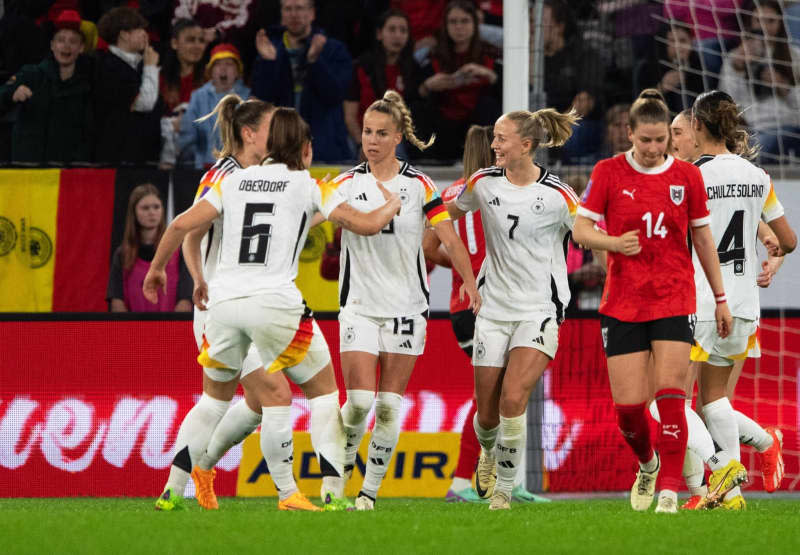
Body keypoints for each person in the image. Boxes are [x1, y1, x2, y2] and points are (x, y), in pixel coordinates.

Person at [146, 106, 402, 512]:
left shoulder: (232, 180)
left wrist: (157, 269)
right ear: (304, 148)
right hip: (275, 305)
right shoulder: (307, 185)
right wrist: (391, 206)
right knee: (321, 394)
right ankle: (327, 494)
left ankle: (172, 490)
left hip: (224, 306)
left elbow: (179, 225)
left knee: (214, 400)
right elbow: (368, 225)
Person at [572, 89, 738, 514]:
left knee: (670, 397)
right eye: (644, 140)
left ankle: (668, 491)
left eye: (660, 140)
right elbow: (580, 231)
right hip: (623, 303)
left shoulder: (687, 177)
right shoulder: (608, 172)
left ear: (669, 136)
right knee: (628, 412)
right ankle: (647, 464)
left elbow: (703, 238)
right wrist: (612, 242)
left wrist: (720, 298)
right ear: (629, 134)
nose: (652, 148)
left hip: (673, 298)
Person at [321, 90, 481, 511]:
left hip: (407, 309)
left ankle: (368, 493)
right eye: (367, 132)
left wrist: (470, 284)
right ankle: (336, 477)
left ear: (397, 138)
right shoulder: (344, 184)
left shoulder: (420, 185)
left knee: (388, 408)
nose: (371, 140)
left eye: (381, 133)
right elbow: (308, 216)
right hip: (358, 305)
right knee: (357, 402)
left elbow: (449, 239)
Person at [177, 94, 318, 512]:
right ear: (249, 133)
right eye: (272, 126)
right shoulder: (223, 174)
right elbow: (190, 231)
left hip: (253, 305)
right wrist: (200, 278)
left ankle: (202, 467)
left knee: (257, 403)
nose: (279, 135)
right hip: (221, 305)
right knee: (274, 392)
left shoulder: (266, 175)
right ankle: (287, 493)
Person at [444, 107, 580, 511]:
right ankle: (487, 452)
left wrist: (615, 246)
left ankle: (503, 490)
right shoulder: (481, 184)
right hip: (492, 309)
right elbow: (441, 216)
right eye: (494, 138)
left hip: (540, 309)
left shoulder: (558, 193)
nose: (494, 145)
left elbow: (589, 229)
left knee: (513, 399)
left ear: (526, 145)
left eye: (501, 139)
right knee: (487, 416)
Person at [687, 90, 796, 508]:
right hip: (744, 305)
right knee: (714, 399)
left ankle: (717, 479)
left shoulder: (691, 175)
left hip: (700, 301)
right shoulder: (757, 176)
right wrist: (771, 262)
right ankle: (731, 495)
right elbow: (786, 240)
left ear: (698, 126)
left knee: (671, 400)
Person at [251, 0, 353, 162]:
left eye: (299, 8)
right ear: (282, 14)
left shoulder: (333, 49)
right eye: (288, 9)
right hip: (280, 152)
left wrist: (315, 61)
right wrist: (269, 63)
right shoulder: (270, 50)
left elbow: (335, 95)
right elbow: (262, 102)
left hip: (325, 151)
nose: (294, 14)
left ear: (312, 13)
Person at [0, 9, 94, 165]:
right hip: (29, 169)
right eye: (61, 40)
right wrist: (11, 95)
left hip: (67, 173)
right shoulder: (31, 74)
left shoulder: (88, 83)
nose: (66, 46)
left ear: (81, 47)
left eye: (73, 41)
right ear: (52, 45)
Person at [417, 1, 500, 161]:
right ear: (445, 25)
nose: (459, 27)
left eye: (465, 21)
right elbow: (414, 93)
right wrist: (427, 86)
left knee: (488, 105)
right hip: (444, 124)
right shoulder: (433, 57)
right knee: (421, 110)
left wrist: (490, 76)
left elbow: (507, 93)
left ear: (475, 24)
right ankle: (430, 161)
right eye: (453, 22)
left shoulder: (491, 54)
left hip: (478, 121)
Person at [344, 9, 424, 157]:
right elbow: (350, 116)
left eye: (403, 30)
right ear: (379, 34)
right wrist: (361, 144)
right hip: (361, 136)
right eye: (392, 29)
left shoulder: (414, 69)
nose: (398, 35)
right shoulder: (363, 66)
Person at [107, 184, 193, 313]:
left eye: (156, 207)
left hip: (170, 330)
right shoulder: (122, 254)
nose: (152, 212)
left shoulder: (179, 251)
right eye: (145, 208)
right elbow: (117, 302)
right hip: (134, 330)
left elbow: (185, 302)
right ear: (134, 212)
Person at [94, 6, 162, 165]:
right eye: (139, 29)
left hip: (140, 155)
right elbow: (144, 103)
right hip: (116, 157)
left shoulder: (137, 64)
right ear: (124, 34)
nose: (145, 35)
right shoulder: (108, 65)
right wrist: (151, 67)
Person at [179, 43, 250, 169]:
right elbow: (188, 135)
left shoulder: (248, 97)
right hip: (203, 168)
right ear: (210, 71)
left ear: (238, 72)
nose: (223, 69)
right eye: (217, 64)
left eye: (229, 64)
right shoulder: (198, 96)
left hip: (239, 169)